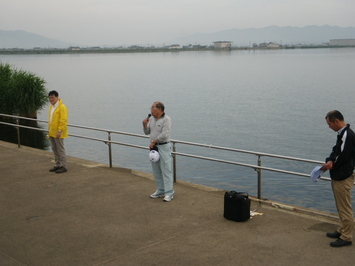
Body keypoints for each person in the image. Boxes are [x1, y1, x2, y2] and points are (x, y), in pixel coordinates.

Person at [322, 110, 355, 247]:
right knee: (340, 206)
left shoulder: (348, 135)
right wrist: (330, 159)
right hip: (339, 175)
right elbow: (336, 150)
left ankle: (347, 237)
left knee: (345, 208)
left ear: (336, 121)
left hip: (343, 176)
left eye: (330, 124)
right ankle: (342, 229)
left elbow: (343, 157)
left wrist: (331, 165)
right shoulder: (342, 134)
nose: (330, 127)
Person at [142, 101, 174, 202]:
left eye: (152, 108)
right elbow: (147, 133)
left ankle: (169, 193)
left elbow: (165, 134)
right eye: (151, 108)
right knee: (156, 170)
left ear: (159, 109)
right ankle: (160, 190)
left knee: (166, 170)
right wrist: (144, 125)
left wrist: (154, 141)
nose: (151, 110)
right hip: (154, 147)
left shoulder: (166, 119)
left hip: (163, 147)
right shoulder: (151, 119)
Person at [48, 90, 68, 174]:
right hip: (52, 132)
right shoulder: (51, 107)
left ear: (57, 97)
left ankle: (63, 166)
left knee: (60, 149)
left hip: (59, 132)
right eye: (49, 98)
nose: (51, 99)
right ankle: (57, 164)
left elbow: (63, 120)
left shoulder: (62, 107)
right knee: (54, 149)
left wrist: (60, 130)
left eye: (52, 97)